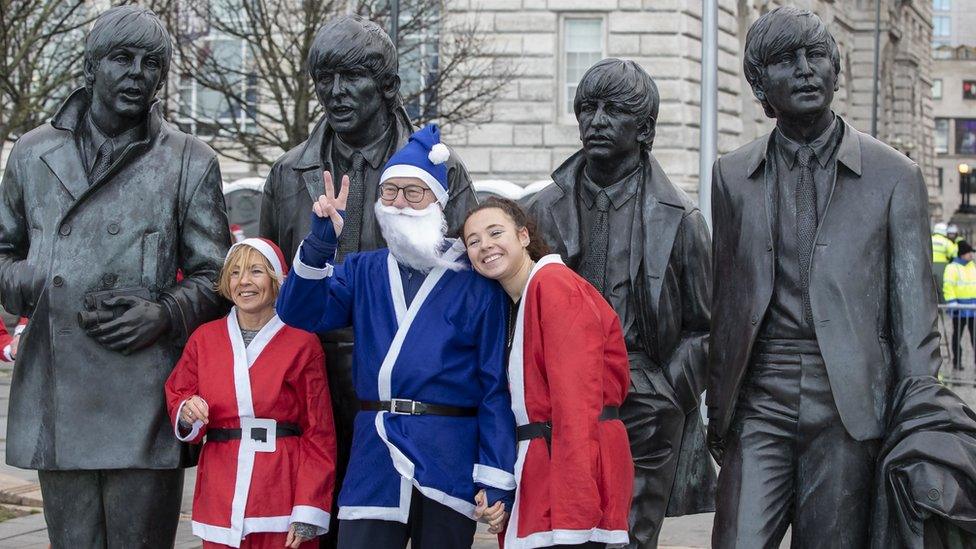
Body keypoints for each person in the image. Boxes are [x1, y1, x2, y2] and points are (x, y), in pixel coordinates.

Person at [707, 7, 942, 547]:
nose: (807, 70)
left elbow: (915, 322)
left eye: (817, 56)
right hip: (758, 395)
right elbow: (725, 303)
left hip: (850, 403)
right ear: (760, 84)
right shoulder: (732, 176)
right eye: (787, 60)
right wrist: (718, 410)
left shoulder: (895, 176)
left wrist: (919, 422)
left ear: (836, 72)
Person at [0, 6, 229, 546]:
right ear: (89, 68)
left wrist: (166, 311)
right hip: (59, 390)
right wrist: (34, 279)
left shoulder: (189, 160)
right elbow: (2, 254)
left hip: (145, 395)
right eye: (121, 59)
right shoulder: (33, 155)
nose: (137, 73)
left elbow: (216, 273)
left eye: (151, 63)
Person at [258, 17, 479, 544]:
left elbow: (471, 282)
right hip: (313, 384)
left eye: (350, 77)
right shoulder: (288, 174)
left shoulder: (441, 171)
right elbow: (270, 284)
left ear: (386, 86)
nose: (335, 92)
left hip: (414, 391)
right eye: (324, 78)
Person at [276, 124, 515, 549]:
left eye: (413, 192)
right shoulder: (362, 269)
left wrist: (495, 476)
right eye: (390, 192)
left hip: (447, 456)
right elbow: (298, 313)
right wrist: (318, 243)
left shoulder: (476, 280)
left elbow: (493, 386)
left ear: (438, 202)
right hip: (375, 456)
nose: (400, 203)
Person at [526, 58, 714, 548]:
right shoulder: (541, 211)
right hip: (556, 395)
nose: (596, 121)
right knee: (557, 533)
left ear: (644, 128)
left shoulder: (682, 219)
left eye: (614, 110)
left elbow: (706, 325)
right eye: (588, 108)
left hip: (644, 398)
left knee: (627, 538)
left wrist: (670, 390)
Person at [463, 197, 634, 549]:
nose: (485, 246)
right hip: (546, 462)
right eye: (473, 241)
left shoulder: (553, 285)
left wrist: (576, 502)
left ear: (524, 236)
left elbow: (577, 399)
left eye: (496, 232)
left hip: (571, 462)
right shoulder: (516, 302)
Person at [166, 238, 336, 549]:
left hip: (280, 493)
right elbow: (179, 393)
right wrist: (188, 411)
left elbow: (319, 432)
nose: (244, 281)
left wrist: (308, 508)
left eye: (256, 271)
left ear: (275, 280)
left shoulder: (302, 342)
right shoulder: (204, 339)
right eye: (235, 272)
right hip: (221, 490)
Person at [944, 240, 976, 371]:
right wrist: (953, 304)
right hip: (959, 309)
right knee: (957, 337)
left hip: (973, 310)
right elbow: (948, 287)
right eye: (969, 253)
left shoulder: (972, 266)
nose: (971, 255)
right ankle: (957, 362)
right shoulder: (952, 268)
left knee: (975, 339)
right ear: (963, 254)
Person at [933, 222, 956, 301]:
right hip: (942, 268)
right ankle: (943, 307)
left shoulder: (929, 239)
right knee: (941, 288)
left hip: (928, 266)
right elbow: (954, 254)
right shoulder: (946, 242)